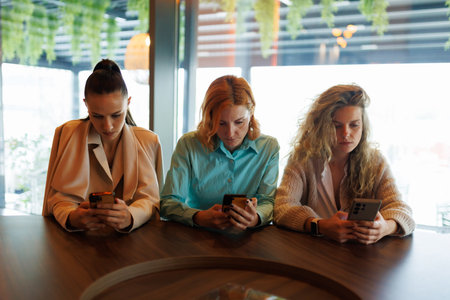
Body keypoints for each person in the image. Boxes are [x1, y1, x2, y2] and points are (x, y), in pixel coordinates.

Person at [274, 84, 415, 244]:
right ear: (322, 127)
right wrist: (319, 225)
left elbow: (402, 210)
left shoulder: (375, 161)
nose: (346, 133)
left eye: (354, 125)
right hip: (314, 254)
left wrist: (385, 228)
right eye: (336, 126)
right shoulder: (303, 159)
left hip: (361, 260)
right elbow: (282, 207)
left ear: (363, 126)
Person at [42, 59, 163, 232]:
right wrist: (71, 217)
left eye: (116, 115)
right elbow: (58, 199)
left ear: (128, 103)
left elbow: (152, 200)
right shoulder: (68, 134)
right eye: (97, 116)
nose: (108, 126)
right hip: (78, 243)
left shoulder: (148, 141)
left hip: (135, 244)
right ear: (85, 104)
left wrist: (130, 216)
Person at [160, 75, 279, 231]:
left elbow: (267, 202)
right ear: (209, 118)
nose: (230, 133)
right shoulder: (189, 145)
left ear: (251, 114)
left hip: (248, 239)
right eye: (221, 123)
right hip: (198, 236)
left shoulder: (268, 148)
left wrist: (255, 218)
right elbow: (168, 203)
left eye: (239, 122)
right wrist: (198, 217)